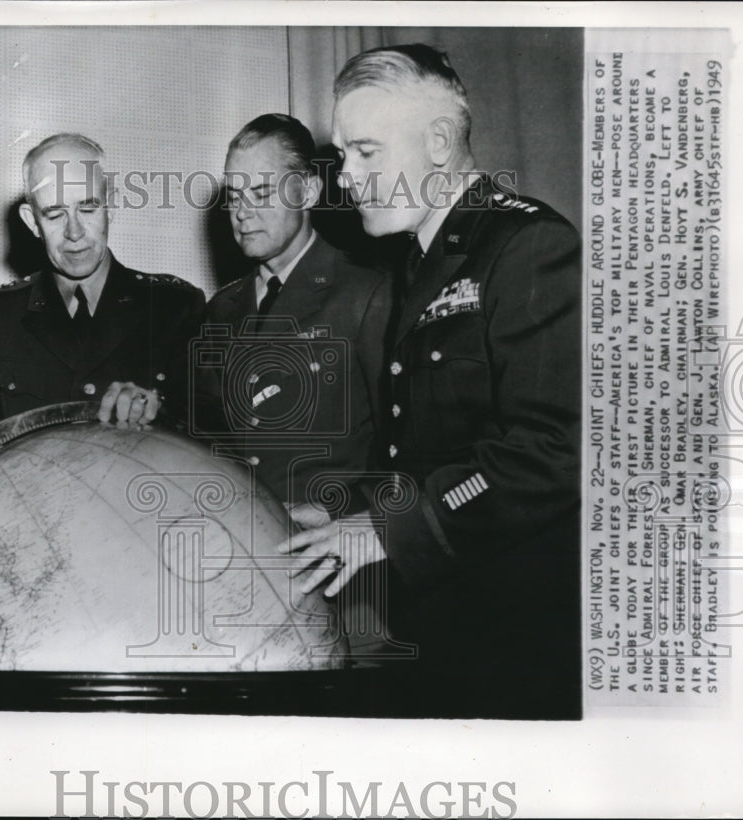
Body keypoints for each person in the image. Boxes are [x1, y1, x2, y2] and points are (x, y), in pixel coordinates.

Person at [282, 45, 582, 717]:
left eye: (366, 152)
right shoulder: (420, 266)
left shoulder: (527, 248)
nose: (347, 179)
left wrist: (384, 531)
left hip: (521, 639)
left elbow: (557, 450)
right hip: (446, 624)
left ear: (440, 142)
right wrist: (340, 509)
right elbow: (431, 452)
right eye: (343, 157)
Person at [194, 113, 399, 660]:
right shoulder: (222, 310)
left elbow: (412, 450)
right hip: (249, 590)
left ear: (307, 189)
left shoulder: (370, 294)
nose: (242, 212)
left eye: (262, 191)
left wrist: (342, 510)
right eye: (234, 195)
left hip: (353, 590)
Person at [0, 133, 205, 443]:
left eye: (88, 209)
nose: (74, 232)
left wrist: (159, 410)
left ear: (111, 206)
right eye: (55, 214)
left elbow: (213, 438)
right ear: (32, 222)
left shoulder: (175, 307)